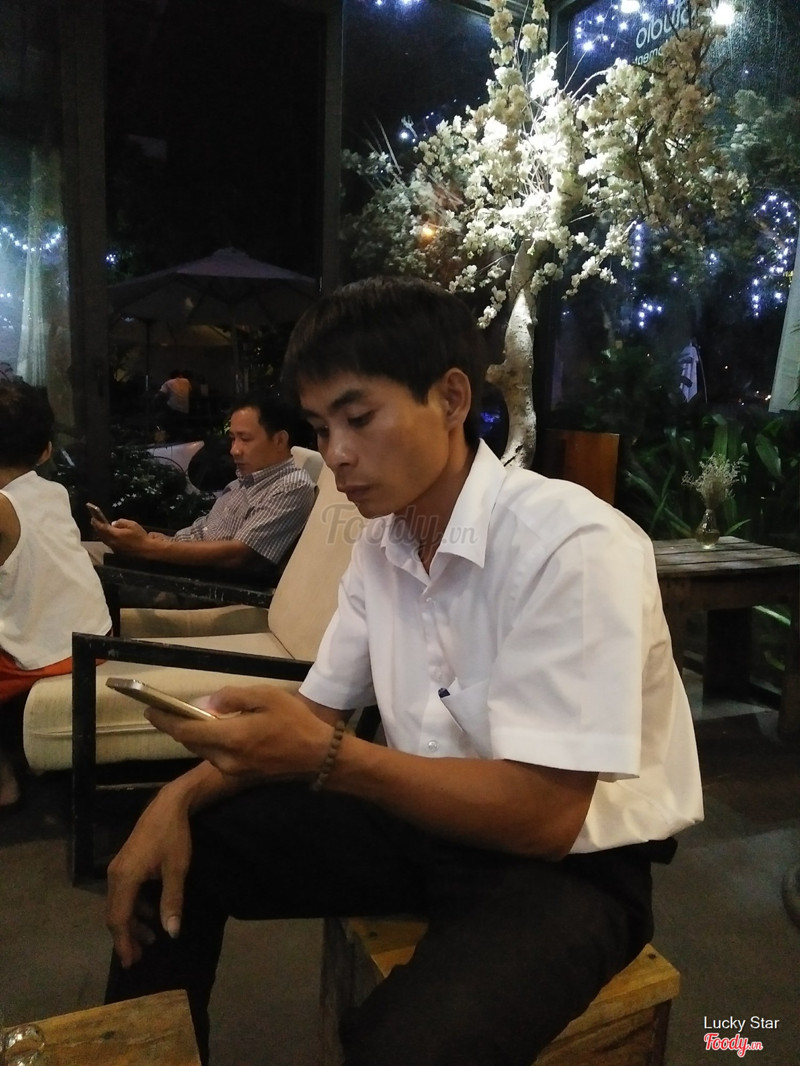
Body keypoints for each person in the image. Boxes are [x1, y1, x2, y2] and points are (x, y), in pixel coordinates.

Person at [104, 277, 703, 1066]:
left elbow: (546, 815)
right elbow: (318, 714)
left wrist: (330, 758)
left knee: (401, 1047)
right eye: (321, 428)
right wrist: (174, 796)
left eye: (359, 418)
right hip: (418, 819)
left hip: (569, 865)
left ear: (451, 398)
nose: (337, 454)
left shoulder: (573, 545)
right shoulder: (381, 545)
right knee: (174, 849)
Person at [0, 380, 111, 808]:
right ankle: (31, 754)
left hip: (46, 655)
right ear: (46, 451)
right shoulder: (54, 493)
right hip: (91, 641)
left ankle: (4, 780)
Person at [90, 393, 316, 576]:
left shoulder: (291, 487)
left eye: (245, 439)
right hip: (169, 562)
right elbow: (207, 535)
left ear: (279, 440)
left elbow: (238, 555)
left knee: (79, 564)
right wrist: (154, 540)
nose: (234, 450)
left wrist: (148, 548)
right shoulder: (245, 481)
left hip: (187, 581)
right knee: (81, 555)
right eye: (233, 438)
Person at [157, 369, 192, 441]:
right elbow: (190, 390)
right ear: (180, 375)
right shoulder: (186, 381)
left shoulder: (168, 382)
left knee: (160, 416)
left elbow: (160, 394)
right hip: (185, 410)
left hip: (173, 409)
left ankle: (163, 434)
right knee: (180, 428)